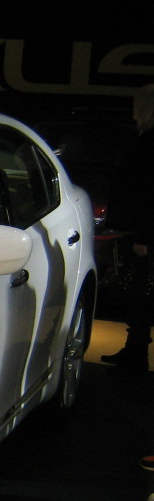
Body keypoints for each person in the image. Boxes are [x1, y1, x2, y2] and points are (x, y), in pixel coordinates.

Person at [102, 84, 154, 374]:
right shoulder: (146, 138)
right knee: (140, 294)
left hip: (145, 234)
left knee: (140, 294)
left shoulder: (150, 141)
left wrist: (144, 237)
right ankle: (136, 351)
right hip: (142, 230)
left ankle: (136, 354)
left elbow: (148, 193)